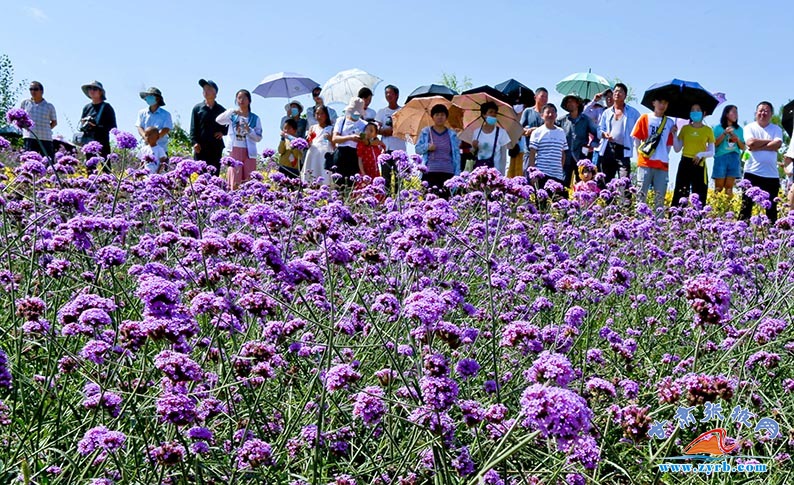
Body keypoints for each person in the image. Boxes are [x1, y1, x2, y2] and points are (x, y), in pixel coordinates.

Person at [631, 95, 677, 210]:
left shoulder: (670, 122)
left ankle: (659, 224)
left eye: (665, 103)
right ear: (653, 103)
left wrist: (674, 133)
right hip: (645, 162)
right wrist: (639, 156)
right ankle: (638, 223)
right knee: (641, 196)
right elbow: (636, 139)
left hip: (662, 164)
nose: (662, 105)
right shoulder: (644, 118)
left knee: (660, 199)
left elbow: (669, 146)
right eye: (660, 102)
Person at [740, 101, 783, 223]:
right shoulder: (749, 127)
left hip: (771, 175)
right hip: (752, 172)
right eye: (761, 110)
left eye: (766, 111)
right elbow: (750, 143)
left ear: (771, 114)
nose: (763, 113)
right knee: (746, 207)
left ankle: (772, 236)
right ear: (756, 113)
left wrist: (758, 146)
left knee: (771, 209)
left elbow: (778, 144)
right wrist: (769, 142)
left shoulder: (776, 129)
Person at [216, 89, 263, 190]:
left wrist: (249, 130)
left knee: (249, 179)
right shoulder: (233, 116)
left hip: (249, 152)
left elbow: (258, 137)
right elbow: (218, 120)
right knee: (234, 179)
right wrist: (231, 111)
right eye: (239, 98)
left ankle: (248, 202)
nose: (241, 100)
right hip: (235, 149)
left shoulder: (255, 118)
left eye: (244, 97)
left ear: (249, 100)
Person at [671, 104, 715, 207]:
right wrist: (674, 135)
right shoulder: (685, 128)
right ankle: (676, 218)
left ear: (703, 113)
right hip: (685, 162)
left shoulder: (708, 130)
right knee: (681, 191)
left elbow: (712, 152)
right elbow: (677, 149)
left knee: (699, 193)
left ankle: (699, 219)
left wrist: (701, 154)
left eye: (698, 110)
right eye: (692, 110)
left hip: (699, 163)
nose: (695, 112)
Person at [595, 83, 640, 184]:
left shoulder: (633, 113)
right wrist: (603, 134)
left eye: (620, 91)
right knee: (605, 181)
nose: (617, 93)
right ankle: (607, 200)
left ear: (625, 95)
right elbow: (599, 129)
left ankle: (625, 200)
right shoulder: (607, 112)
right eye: (615, 91)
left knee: (624, 181)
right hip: (608, 148)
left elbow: (641, 128)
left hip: (624, 150)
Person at [415, 104, 461, 198]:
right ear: (432, 117)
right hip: (430, 172)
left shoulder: (452, 134)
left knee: (445, 202)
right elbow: (418, 149)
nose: (440, 117)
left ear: (446, 117)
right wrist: (427, 147)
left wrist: (457, 175)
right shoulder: (426, 132)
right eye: (437, 115)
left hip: (448, 172)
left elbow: (456, 154)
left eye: (442, 115)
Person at [527, 103, 568, 199]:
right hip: (542, 174)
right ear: (542, 115)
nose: (550, 115)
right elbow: (532, 153)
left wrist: (559, 169)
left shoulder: (561, 132)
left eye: (553, 112)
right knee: (542, 206)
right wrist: (533, 174)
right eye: (548, 112)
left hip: (557, 176)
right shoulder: (537, 132)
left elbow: (563, 153)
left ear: (556, 115)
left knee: (558, 206)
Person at [557, 94, 599, 188]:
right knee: (563, 184)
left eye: (572, 101)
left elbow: (597, 132)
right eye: (568, 102)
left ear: (577, 103)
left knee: (583, 184)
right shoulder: (561, 120)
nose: (570, 104)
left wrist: (592, 144)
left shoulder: (586, 120)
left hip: (581, 157)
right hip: (565, 157)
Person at [190, 79, 227, 175]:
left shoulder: (222, 110)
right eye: (204, 89)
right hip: (201, 148)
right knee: (200, 176)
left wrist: (222, 132)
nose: (206, 91)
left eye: (209, 89)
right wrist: (194, 142)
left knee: (214, 176)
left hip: (215, 148)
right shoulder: (197, 108)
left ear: (215, 93)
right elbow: (193, 128)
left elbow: (229, 126)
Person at [375, 85, 406, 192]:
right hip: (385, 149)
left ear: (397, 95)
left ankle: (399, 202)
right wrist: (384, 131)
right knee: (385, 178)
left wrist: (392, 131)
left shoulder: (403, 111)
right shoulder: (381, 112)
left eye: (390, 93)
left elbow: (405, 129)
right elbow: (376, 129)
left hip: (400, 149)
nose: (388, 95)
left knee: (399, 178)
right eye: (386, 93)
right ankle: (385, 203)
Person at [331, 97, 368, 187]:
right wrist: (350, 137)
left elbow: (367, 141)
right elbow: (335, 138)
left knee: (351, 184)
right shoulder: (341, 120)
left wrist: (362, 139)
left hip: (354, 155)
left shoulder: (364, 124)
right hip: (341, 153)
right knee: (338, 184)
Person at [712, 105, 746, 197]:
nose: (736, 115)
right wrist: (724, 133)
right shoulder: (717, 128)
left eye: (737, 113)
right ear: (726, 114)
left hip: (734, 158)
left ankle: (728, 210)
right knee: (718, 187)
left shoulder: (739, 129)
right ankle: (715, 208)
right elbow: (714, 144)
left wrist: (736, 138)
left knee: (729, 188)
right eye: (733, 112)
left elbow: (743, 147)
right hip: (721, 157)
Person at [77, 81, 117, 159]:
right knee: (90, 167)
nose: (91, 91)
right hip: (88, 141)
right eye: (90, 88)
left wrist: (96, 126)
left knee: (105, 167)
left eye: (95, 89)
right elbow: (81, 125)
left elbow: (113, 127)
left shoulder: (107, 107)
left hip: (102, 141)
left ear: (100, 92)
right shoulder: (86, 108)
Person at [19, 81, 57, 159]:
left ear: (42, 91)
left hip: (46, 139)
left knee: (48, 162)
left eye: (35, 89)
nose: (33, 91)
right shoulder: (25, 103)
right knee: (29, 162)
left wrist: (46, 129)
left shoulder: (49, 106)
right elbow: (20, 118)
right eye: (31, 89)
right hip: (30, 137)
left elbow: (54, 122)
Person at [471, 101, 511, 172]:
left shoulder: (501, 132)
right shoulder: (477, 132)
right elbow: (474, 153)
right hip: (480, 171)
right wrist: (474, 147)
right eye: (491, 112)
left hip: (496, 171)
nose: (493, 114)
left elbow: (504, 155)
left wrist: (503, 173)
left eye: (495, 112)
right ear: (484, 115)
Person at [520, 87, 548, 178]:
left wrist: (537, 130)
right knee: (527, 176)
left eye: (546, 97)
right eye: (542, 96)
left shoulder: (548, 114)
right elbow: (520, 129)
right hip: (529, 151)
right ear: (535, 97)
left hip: (543, 153)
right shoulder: (528, 111)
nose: (545, 99)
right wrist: (528, 130)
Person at [303, 105, 334, 184]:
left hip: (325, 156)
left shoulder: (331, 128)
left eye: (322, 114)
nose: (319, 116)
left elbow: (335, 145)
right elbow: (309, 143)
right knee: (312, 174)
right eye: (317, 114)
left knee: (325, 176)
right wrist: (308, 140)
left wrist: (330, 139)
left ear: (326, 115)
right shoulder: (312, 127)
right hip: (313, 154)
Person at [136, 87, 172, 154]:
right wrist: (145, 136)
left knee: (162, 164)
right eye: (147, 96)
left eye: (150, 96)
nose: (148, 98)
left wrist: (154, 139)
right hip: (145, 149)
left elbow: (166, 129)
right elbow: (139, 126)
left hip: (161, 149)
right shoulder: (142, 113)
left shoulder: (166, 114)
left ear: (157, 98)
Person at [782, 143, 794, 210]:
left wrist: (783, 167)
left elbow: (789, 173)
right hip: (789, 185)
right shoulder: (789, 165)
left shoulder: (792, 165)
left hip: (791, 185)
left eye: (786, 157)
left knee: (790, 203)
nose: (784, 158)